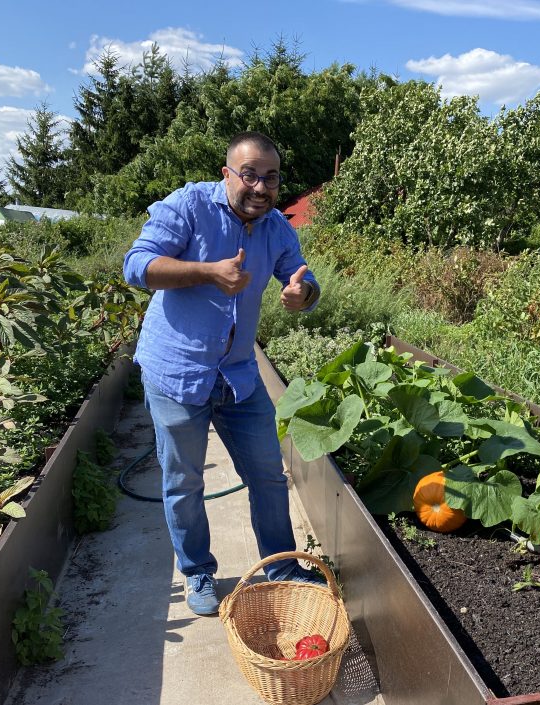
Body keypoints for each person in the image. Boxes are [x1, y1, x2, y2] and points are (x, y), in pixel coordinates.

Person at [123, 131, 323, 615]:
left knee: (268, 474)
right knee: (184, 482)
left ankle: (281, 567)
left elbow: (302, 275)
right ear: (227, 173)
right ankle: (197, 573)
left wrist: (304, 294)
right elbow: (136, 266)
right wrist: (207, 271)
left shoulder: (276, 227)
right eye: (249, 174)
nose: (260, 187)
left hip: (238, 376)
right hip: (177, 372)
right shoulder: (189, 206)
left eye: (270, 178)